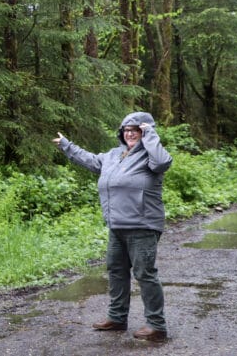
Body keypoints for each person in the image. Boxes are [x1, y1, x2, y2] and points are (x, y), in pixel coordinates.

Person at [53, 111, 172, 342]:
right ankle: (117, 318)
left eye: (136, 130)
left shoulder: (151, 155)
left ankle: (157, 325)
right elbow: (90, 160)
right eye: (127, 130)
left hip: (142, 225)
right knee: (116, 271)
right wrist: (67, 145)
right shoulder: (114, 155)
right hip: (117, 226)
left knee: (145, 274)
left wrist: (150, 134)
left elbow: (162, 163)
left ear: (145, 132)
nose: (130, 134)